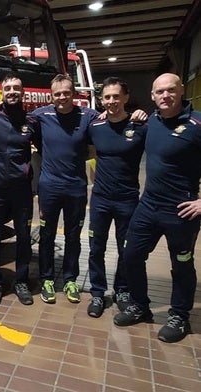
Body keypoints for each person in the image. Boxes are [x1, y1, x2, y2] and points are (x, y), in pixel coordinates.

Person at [113, 73, 201, 343]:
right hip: (148, 205)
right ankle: (140, 305)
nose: (166, 96)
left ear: (181, 90)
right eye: (160, 92)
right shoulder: (151, 120)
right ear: (152, 96)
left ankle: (179, 315)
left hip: (181, 211)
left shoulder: (197, 124)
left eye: (171, 90)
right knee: (131, 255)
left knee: (181, 263)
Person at [31, 74, 99, 304]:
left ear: (74, 93)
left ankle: (70, 280)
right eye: (57, 93)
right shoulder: (41, 115)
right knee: (47, 235)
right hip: (49, 187)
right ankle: (47, 279)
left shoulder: (88, 116)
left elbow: (111, 122)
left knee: (73, 237)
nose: (62, 97)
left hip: (76, 189)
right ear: (52, 96)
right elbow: (15, 122)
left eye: (66, 93)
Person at [86, 77, 147, 318]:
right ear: (101, 100)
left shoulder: (141, 127)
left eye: (116, 96)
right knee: (95, 248)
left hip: (127, 199)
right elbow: (90, 156)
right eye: (107, 97)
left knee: (126, 249)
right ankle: (98, 293)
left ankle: (122, 291)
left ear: (125, 98)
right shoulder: (95, 126)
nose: (111, 101)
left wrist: (142, 114)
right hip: (100, 198)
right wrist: (91, 184)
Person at [0, 74, 41, 306]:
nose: (12, 92)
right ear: (2, 92)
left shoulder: (33, 122)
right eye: (8, 88)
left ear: (22, 92)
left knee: (24, 238)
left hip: (22, 192)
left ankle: (21, 282)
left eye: (16, 88)